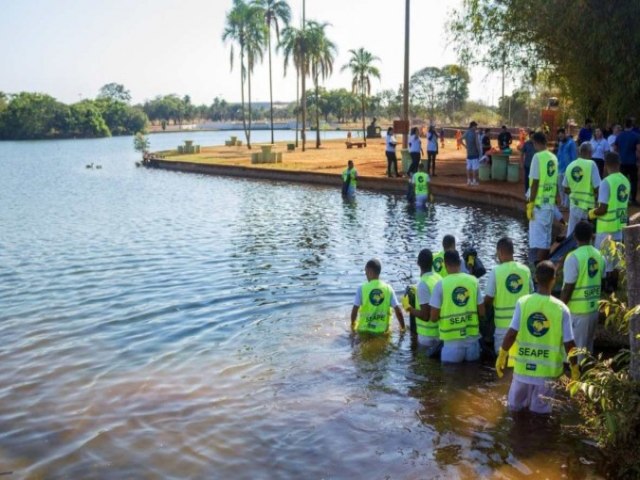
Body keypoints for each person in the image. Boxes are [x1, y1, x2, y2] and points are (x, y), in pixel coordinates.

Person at [495, 261, 579, 415]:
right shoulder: (562, 309)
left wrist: (502, 354)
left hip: (522, 372)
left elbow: (512, 333)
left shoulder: (523, 302)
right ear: (554, 279)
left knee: (514, 412)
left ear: (535, 278)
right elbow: (569, 343)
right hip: (547, 375)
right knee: (540, 417)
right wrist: (574, 368)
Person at [484, 237, 534, 363]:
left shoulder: (496, 271)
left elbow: (488, 299)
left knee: (503, 365)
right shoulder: (525, 270)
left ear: (499, 252)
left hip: (503, 329)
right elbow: (532, 295)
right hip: (523, 328)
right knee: (519, 364)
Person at [560, 221, 605, 361]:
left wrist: (559, 307)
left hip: (577, 313)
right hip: (593, 310)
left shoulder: (573, 257)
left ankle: (575, 381)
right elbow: (601, 280)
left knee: (575, 357)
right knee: (587, 352)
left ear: (574, 237)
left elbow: (568, 287)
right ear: (592, 236)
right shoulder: (600, 256)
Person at [430, 251, 485, 363]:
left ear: (445, 265)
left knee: (451, 378)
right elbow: (482, 312)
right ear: (460, 263)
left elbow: (433, 317)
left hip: (451, 344)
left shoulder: (441, 285)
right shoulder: (474, 281)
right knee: (473, 377)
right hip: (472, 343)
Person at [589, 151, 631, 254]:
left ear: (606, 164)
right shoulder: (626, 181)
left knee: (603, 263)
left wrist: (591, 213)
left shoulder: (606, 182)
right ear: (619, 163)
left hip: (606, 229)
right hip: (620, 227)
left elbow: (603, 209)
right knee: (616, 263)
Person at [527, 132, 559, 263]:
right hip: (549, 204)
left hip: (539, 205)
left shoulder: (537, 157)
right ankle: (543, 268)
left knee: (539, 242)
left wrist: (531, 203)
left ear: (536, 142)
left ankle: (538, 270)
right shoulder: (553, 157)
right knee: (545, 240)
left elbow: (535, 182)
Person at [351, 259, 405, 334]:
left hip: (364, 331)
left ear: (369, 271)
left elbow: (355, 310)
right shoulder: (388, 288)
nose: (366, 274)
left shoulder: (362, 288)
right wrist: (403, 328)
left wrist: (352, 326)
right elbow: (398, 311)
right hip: (382, 332)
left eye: (366, 272)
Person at [404, 249, 443, 353]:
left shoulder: (423, 284)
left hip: (427, 337)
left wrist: (409, 308)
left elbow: (426, 316)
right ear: (432, 262)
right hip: (440, 332)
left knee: (424, 365)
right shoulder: (439, 278)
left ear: (418, 263)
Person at [563, 142, 601, 236]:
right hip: (588, 207)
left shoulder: (570, 165)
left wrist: (575, 193)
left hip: (574, 205)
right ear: (590, 152)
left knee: (571, 234)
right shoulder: (591, 164)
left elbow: (565, 188)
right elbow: (598, 188)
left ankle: (569, 250)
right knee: (587, 235)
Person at [613, 118, 640, 206]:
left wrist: (619, 158)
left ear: (624, 125)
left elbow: (615, 149)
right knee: (633, 181)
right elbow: (638, 149)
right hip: (632, 162)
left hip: (622, 162)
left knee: (622, 181)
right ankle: (633, 200)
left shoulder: (619, 136)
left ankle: (622, 199)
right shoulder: (636, 136)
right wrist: (637, 160)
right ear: (632, 125)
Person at [556, 128, 577, 208]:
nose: (560, 137)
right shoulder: (560, 143)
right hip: (560, 168)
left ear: (565, 134)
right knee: (560, 187)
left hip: (568, 169)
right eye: (559, 136)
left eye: (562, 135)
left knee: (567, 188)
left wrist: (572, 168)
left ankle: (566, 204)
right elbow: (559, 155)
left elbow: (574, 156)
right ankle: (562, 202)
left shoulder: (571, 143)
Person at [461, 121, 482, 186]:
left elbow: (459, 139)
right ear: (472, 126)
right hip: (475, 153)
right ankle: (474, 181)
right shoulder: (475, 134)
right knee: (474, 168)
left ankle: (468, 181)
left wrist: (465, 146)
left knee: (468, 168)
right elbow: (477, 144)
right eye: (475, 126)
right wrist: (480, 152)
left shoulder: (466, 133)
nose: (476, 127)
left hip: (469, 154)